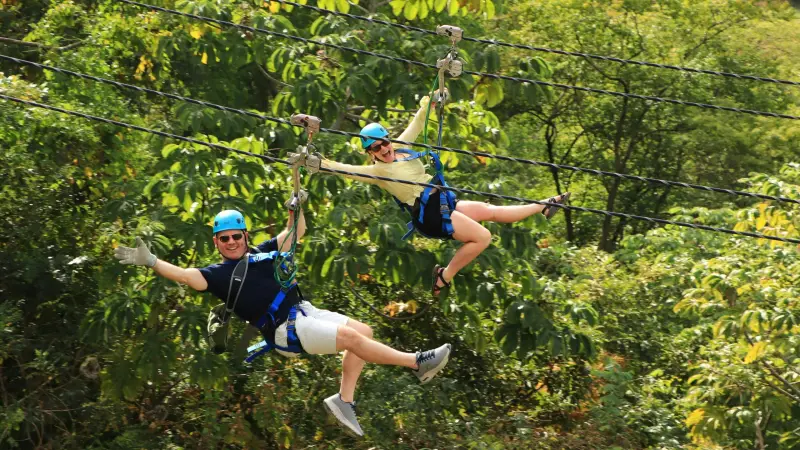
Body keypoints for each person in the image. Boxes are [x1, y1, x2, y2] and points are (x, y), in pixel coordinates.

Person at [113, 196, 452, 437]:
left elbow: (296, 233)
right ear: (216, 242)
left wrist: (296, 206)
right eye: (224, 238)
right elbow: (186, 275)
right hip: (283, 332)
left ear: (245, 236)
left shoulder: (261, 251)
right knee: (352, 339)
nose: (231, 242)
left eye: (236, 236)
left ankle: (344, 400)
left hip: (304, 312)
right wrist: (152, 261)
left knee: (364, 329)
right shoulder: (216, 275)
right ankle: (416, 363)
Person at [299, 94, 571, 299]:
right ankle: (445, 275)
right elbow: (346, 170)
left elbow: (418, 121)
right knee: (483, 237)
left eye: (384, 143)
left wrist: (432, 98)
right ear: (370, 154)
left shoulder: (403, 147)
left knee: (491, 211)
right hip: (429, 214)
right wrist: (315, 161)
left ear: (389, 140)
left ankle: (544, 206)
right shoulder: (377, 172)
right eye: (376, 148)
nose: (384, 149)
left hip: (442, 201)